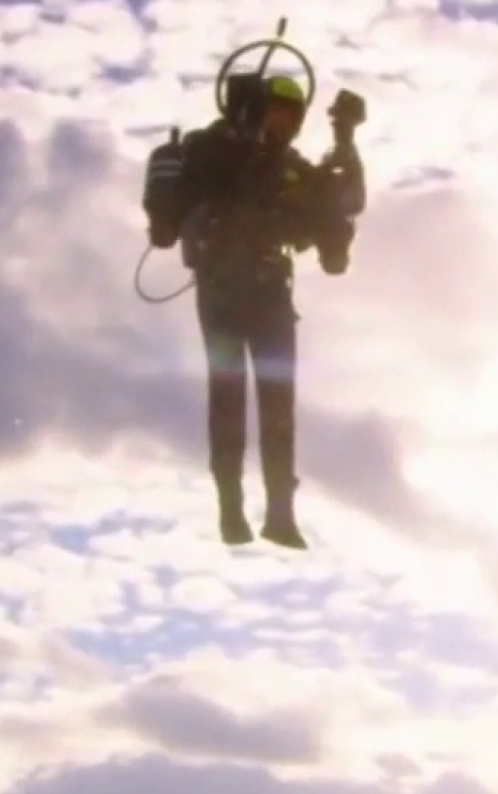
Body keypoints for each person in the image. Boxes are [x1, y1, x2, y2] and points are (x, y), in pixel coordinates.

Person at [145, 72, 367, 548]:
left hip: (270, 292)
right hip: (223, 287)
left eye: (291, 115)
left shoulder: (294, 171)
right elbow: (188, 191)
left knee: (278, 405)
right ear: (252, 108)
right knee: (227, 397)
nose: (281, 122)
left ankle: (280, 513)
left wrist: (346, 143)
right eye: (274, 110)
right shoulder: (216, 148)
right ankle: (231, 508)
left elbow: (335, 216)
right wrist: (239, 131)